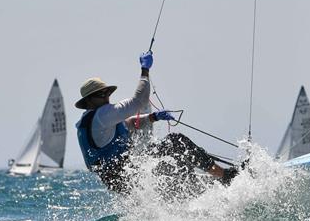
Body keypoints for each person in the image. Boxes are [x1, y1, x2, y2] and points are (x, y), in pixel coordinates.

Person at [75, 51, 238, 195]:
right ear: (88, 101)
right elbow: (139, 101)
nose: (106, 97)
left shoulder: (91, 121)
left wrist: (153, 117)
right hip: (130, 176)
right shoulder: (102, 115)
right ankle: (224, 176)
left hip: (124, 181)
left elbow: (127, 125)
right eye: (101, 94)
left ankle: (193, 193)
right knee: (176, 142)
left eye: (107, 93)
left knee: (175, 159)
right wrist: (145, 71)